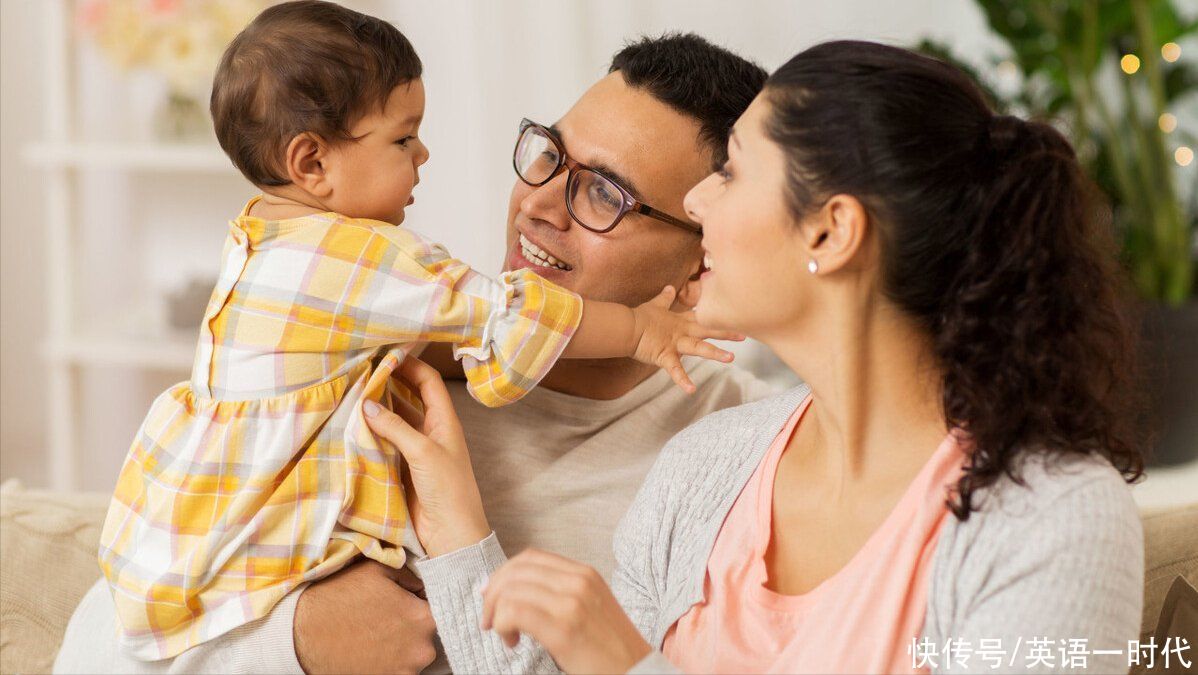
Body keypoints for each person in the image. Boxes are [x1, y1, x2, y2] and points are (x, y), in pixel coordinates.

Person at [365, 40, 1147, 674]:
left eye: (732, 172)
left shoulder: (1053, 515)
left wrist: (627, 666)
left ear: (830, 232)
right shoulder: (708, 466)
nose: (701, 206)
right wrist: (461, 533)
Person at [55, 28, 772, 674]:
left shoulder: (740, 459)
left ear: (702, 261)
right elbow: (98, 643)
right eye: (550, 155)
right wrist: (297, 641)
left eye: (603, 195)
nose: (540, 204)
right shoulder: (373, 360)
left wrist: (467, 549)